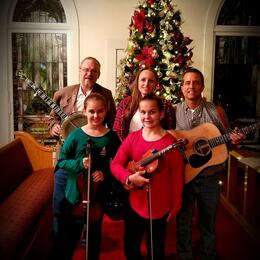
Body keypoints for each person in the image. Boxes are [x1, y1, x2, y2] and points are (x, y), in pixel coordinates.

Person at [173, 68, 245, 260]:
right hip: (185, 177)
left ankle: (207, 255)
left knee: (208, 224)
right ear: (181, 88)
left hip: (210, 178)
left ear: (202, 86)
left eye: (196, 82)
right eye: (187, 83)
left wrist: (234, 139)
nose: (191, 86)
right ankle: (185, 256)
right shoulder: (174, 111)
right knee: (183, 223)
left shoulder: (217, 111)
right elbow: (167, 140)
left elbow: (226, 140)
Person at [49, 57, 116, 241]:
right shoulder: (63, 93)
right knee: (61, 205)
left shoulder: (106, 94)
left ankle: (87, 239)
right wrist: (54, 126)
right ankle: (60, 243)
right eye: (86, 69)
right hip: (68, 157)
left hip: (94, 160)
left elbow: (112, 125)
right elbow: (52, 117)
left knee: (90, 203)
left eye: (94, 71)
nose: (89, 73)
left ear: (98, 74)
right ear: (80, 70)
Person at [111, 94, 185, 260]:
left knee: (156, 252)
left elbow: (177, 179)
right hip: (134, 204)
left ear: (162, 114)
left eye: (152, 112)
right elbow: (115, 165)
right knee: (131, 249)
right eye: (143, 112)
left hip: (160, 206)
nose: (147, 116)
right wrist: (129, 179)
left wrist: (175, 206)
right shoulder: (132, 138)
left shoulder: (170, 143)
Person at [53, 93, 121, 259]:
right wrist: (78, 164)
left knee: (94, 236)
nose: (96, 115)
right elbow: (61, 160)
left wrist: (104, 173)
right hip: (74, 194)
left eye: (100, 111)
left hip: (98, 196)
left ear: (106, 111)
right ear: (84, 111)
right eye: (91, 111)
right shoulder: (76, 135)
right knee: (69, 238)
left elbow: (118, 164)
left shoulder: (111, 137)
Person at [113, 67, 175, 141]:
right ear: (137, 82)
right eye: (143, 80)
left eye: (151, 81)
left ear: (156, 84)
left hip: (155, 149)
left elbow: (170, 131)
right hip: (128, 147)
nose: (146, 84)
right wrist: (127, 146)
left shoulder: (165, 105)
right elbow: (117, 130)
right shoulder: (125, 103)